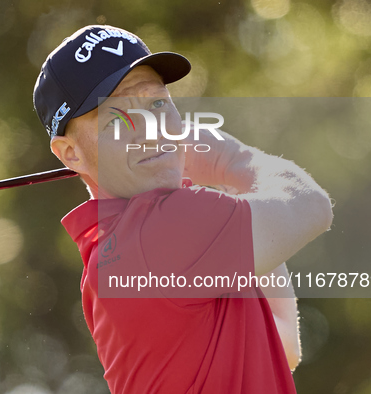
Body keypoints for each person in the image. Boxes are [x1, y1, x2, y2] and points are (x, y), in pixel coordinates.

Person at [33, 25, 333, 394]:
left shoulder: (111, 253)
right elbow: (312, 206)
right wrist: (230, 159)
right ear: (70, 153)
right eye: (116, 118)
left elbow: (283, 342)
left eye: (157, 104)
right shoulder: (162, 231)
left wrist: (233, 189)